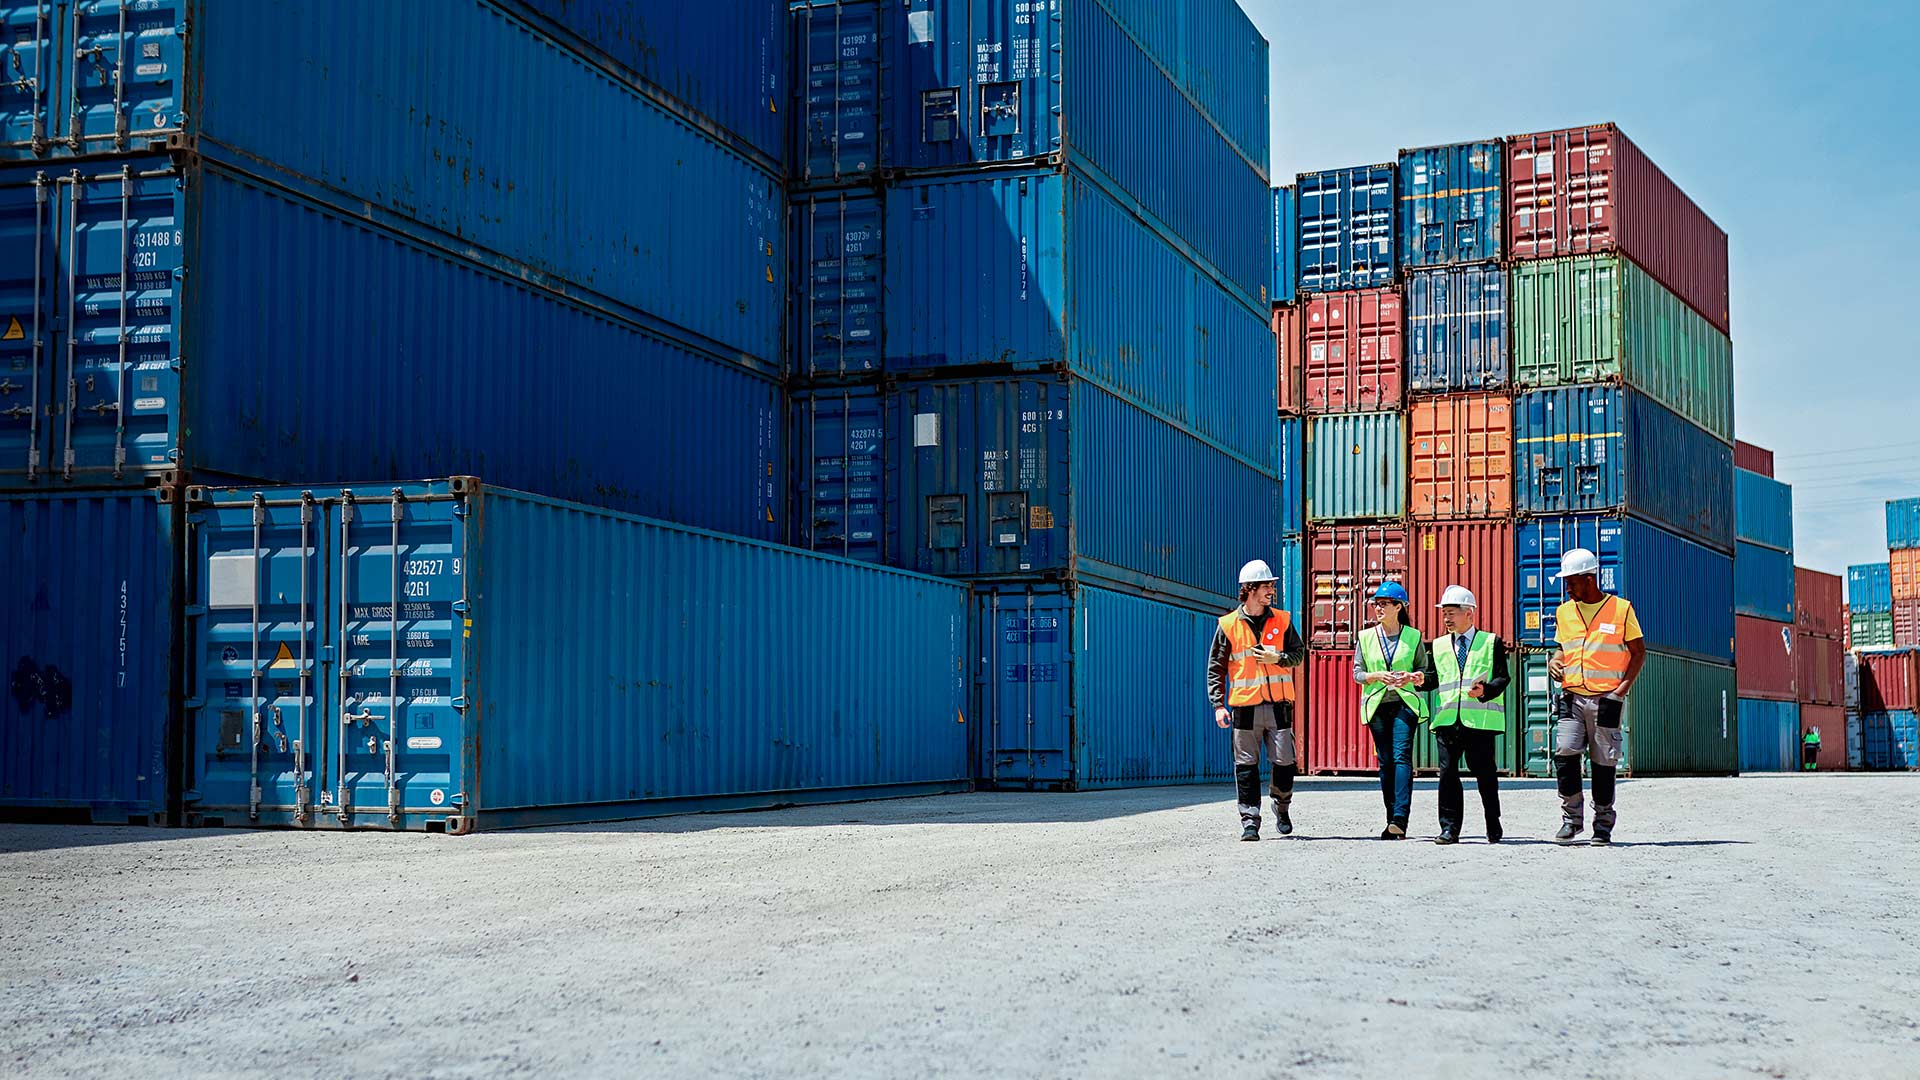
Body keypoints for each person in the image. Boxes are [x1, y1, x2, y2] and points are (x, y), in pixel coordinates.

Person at [1546, 548, 1647, 845]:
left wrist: (1620, 692)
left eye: (1571, 581)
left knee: (1604, 763)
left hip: (1607, 700)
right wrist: (1555, 660)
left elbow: (1639, 653)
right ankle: (1571, 820)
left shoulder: (1621, 609)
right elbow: (1562, 648)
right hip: (1571, 698)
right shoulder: (1564, 612)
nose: (1567, 587)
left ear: (1589, 579)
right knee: (1564, 755)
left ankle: (1602, 824)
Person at [1208, 559, 1306, 841]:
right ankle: (1250, 820)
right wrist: (1218, 705)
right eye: (1267, 586)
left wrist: (1280, 658)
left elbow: (1299, 654)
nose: (1271, 591)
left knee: (1285, 762)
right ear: (1250, 589)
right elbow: (1216, 667)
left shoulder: (1283, 620)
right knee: (1246, 766)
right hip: (1245, 707)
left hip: (1278, 706)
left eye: (1272, 586)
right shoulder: (1228, 625)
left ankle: (1281, 804)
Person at [1352, 581, 1432, 839]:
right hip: (1376, 705)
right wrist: (1375, 676)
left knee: (1401, 757)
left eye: (1384, 604)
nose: (1378, 608)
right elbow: (1357, 674)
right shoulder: (1365, 637)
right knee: (1386, 762)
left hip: (1404, 704)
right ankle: (1391, 818)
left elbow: (1425, 671)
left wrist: (1411, 676)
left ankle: (1400, 817)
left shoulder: (1413, 636)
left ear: (1399, 607)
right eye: (1376, 604)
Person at [1429, 586, 1508, 845]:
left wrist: (1486, 690)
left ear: (1469, 614)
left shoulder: (1490, 641)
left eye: (1451, 613)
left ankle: (1492, 823)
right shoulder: (1438, 645)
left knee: (1485, 775)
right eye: (1444, 614)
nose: (1446, 619)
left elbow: (1502, 677)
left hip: (1480, 721)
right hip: (1448, 721)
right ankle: (1449, 829)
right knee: (1447, 774)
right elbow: (1433, 678)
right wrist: (1420, 679)